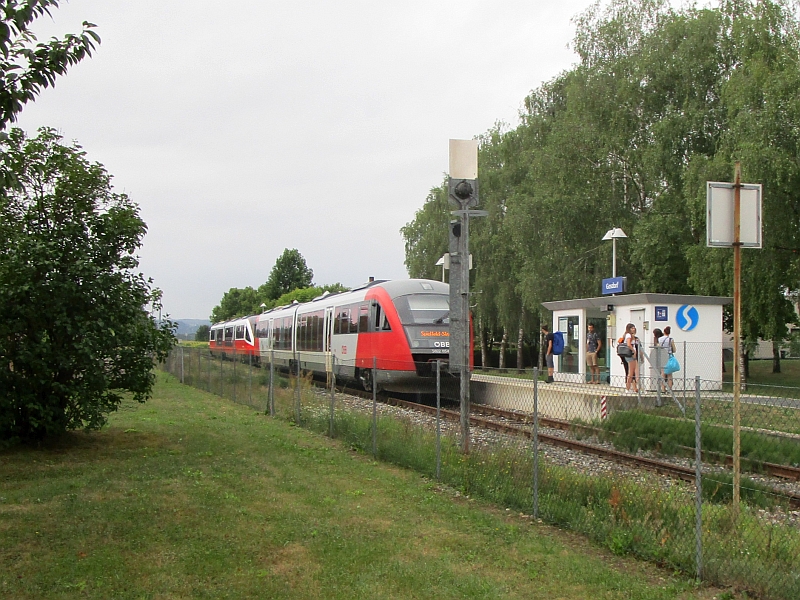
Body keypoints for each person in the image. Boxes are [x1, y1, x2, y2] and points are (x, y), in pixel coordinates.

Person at [659, 326, 677, 391]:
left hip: (662, 356)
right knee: (669, 373)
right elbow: (674, 350)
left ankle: (663, 389)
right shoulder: (671, 339)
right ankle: (670, 389)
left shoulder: (660, 339)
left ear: (664, 332)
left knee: (662, 373)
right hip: (669, 356)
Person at [624, 323, 640, 393]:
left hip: (633, 355)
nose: (633, 329)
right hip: (630, 355)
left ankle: (637, 387)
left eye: (634, 328)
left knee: (636, 371)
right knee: (631, 372)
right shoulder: (628, 335)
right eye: (632, 328)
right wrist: (633, 351)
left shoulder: (633, 336)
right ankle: (627, 388)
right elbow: (628, 344)